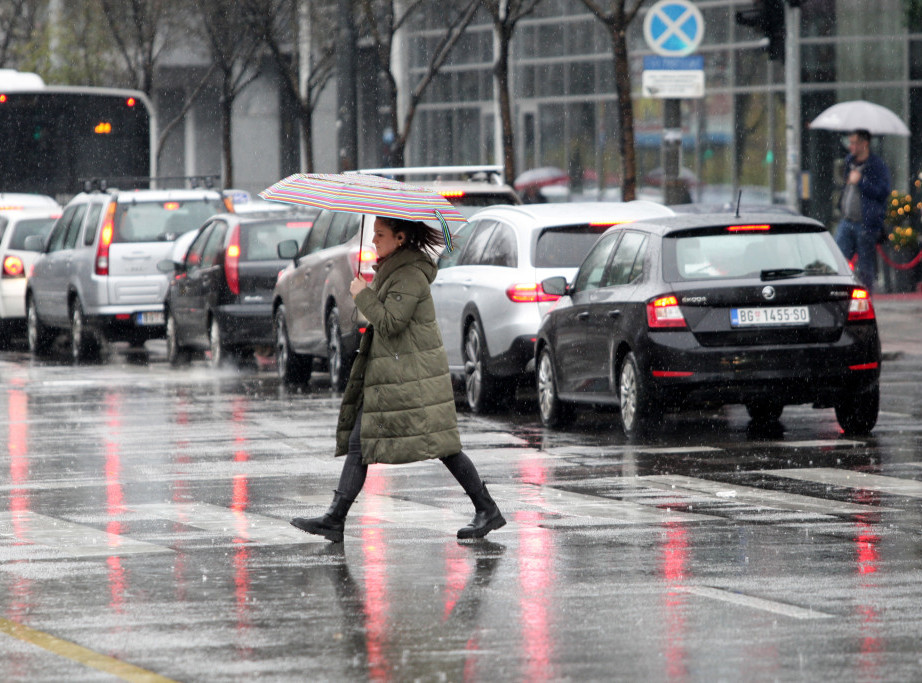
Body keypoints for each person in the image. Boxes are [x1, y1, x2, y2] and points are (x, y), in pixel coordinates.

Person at [290, 216, 506, 543]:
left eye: (380, 235)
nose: (373, 241)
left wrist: (363, 295)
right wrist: (366, 292)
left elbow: (391, 322)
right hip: (397, 375)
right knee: (361, 445)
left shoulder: (409, 275)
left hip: (412, 378)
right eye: (373, 234)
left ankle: (487, 509)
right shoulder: (394, 269)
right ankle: (335, 519)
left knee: (443, 446)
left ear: (401, 238)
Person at [834, 128, 891, 291]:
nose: (851, 146)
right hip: (847, 220)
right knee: (838, 260)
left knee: (865, 267)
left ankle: (865, 300)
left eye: (854, 143)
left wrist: (861, 182)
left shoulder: (877, 166)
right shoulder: (849, 162)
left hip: (866, 224)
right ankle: (841, 294)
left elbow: (882, 192)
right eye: (850, 143)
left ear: (864, 144)